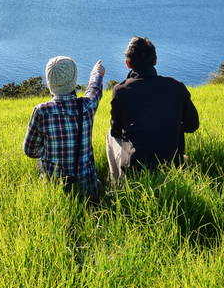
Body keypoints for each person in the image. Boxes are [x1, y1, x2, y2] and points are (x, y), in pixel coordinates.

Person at [109, 37, 199, 177]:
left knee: (109, 135)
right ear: (155, 61)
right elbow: (192, 125)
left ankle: (117, 185)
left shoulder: (121, 90)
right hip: (172, 165)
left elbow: (116, 131)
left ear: (128, 64)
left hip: (136, 168)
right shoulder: (176, 87)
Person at [23, 56, 105, 197]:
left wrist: (49, 152)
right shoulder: (87, 106)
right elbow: (94, 89)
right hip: (87, 189)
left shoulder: (42, 111)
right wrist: (96, 73)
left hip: (54, 190)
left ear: (50, 83)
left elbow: (29, 150)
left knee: (40, 164)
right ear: (73, 81)